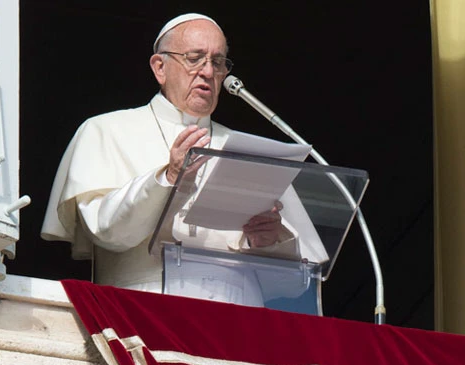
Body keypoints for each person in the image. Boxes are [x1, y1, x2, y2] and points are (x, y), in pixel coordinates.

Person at [41, 13, 306, 306]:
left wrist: (269, 242)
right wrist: (167, 178)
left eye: (217, 62)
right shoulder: (105, 130)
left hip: (240, 316)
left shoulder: (249, 151)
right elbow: (107, 231)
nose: (207, 71)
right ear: (160, 67)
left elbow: (293, 287)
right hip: (145, 308)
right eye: (195, 58)